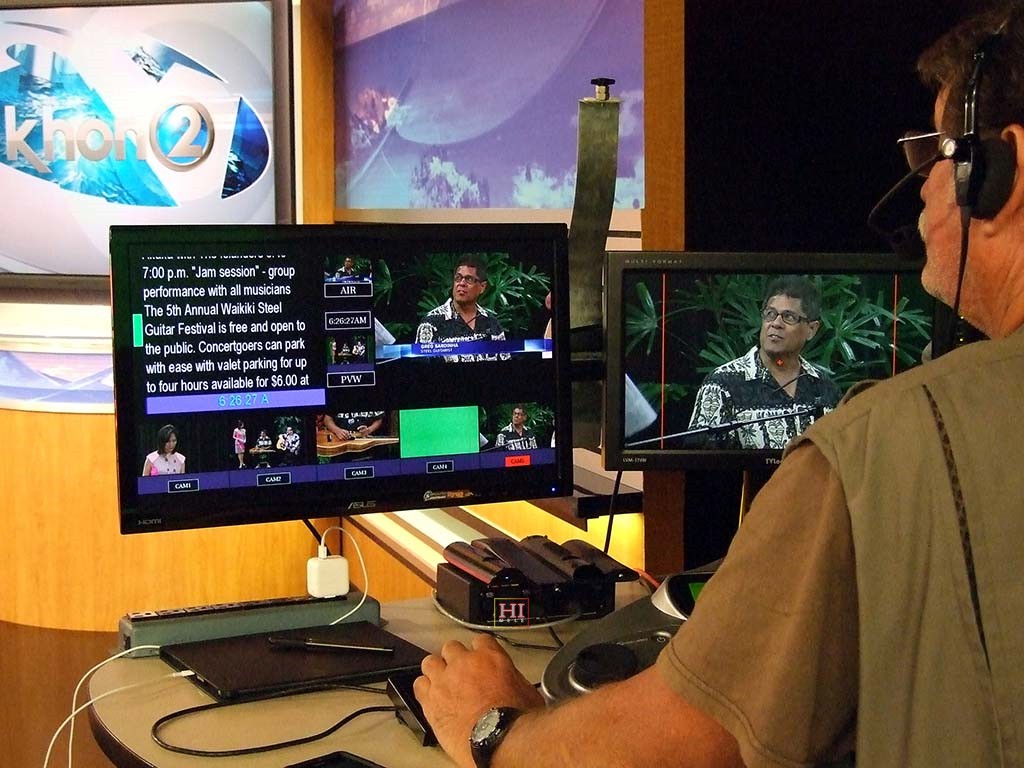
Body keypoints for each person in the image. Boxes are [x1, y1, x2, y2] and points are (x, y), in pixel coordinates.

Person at [412, 5, 1024, 767]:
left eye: (937, 153)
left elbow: (687, 741)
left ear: (997, 174)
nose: (923, 186)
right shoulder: (758, 395)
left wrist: (494, 730)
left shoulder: (877, 444)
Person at [687, 275, 842, 449]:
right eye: (770, 314)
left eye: (789, 317)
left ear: (811, 329)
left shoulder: (826, 389)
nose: (776, 323)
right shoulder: (722, 384)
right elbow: (699, 460)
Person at [414, 256, 509, 362]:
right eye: (458, 278)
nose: (462, 283)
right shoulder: (431, 323)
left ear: (482, 287)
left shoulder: (491, 323)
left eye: (469, 279)